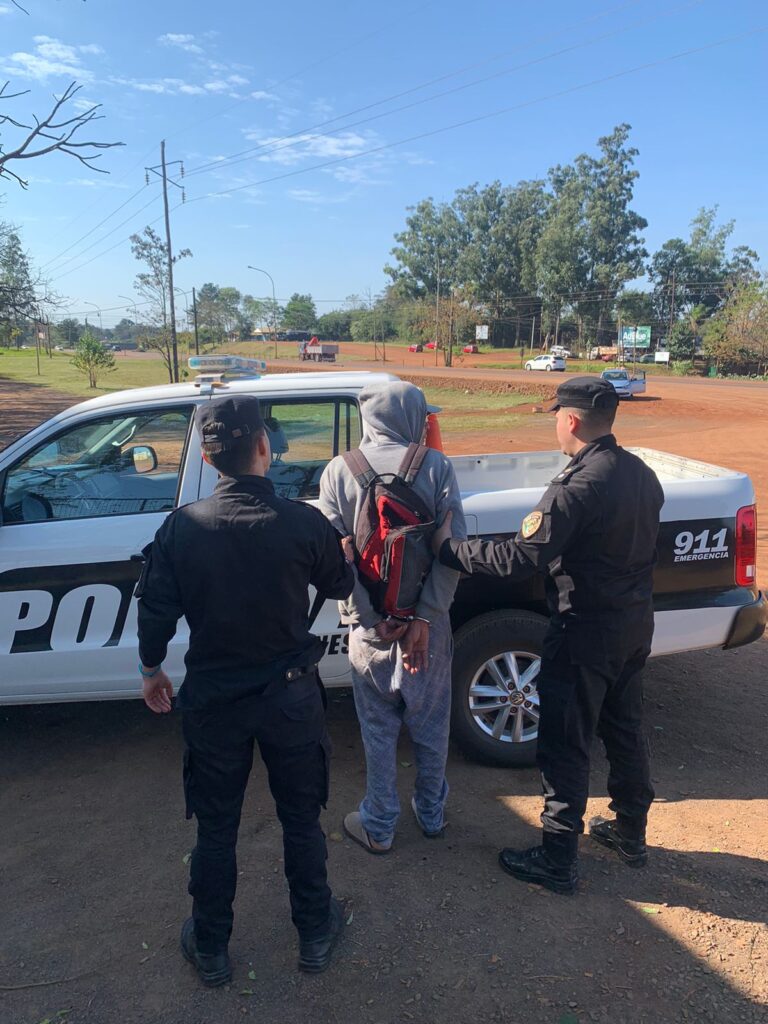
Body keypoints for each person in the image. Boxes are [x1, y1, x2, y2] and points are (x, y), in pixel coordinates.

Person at [136, 395, 354, 986]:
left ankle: (211, 948)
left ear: (208, 460)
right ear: (264, 447)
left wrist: (151, 669)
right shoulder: (304, 522)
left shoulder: (181, 528)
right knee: (301, 820)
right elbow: (340, 584)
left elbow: (154, 608)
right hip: (289, 699)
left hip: (214, 701)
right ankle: (313, 933)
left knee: (215, 828)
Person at [433, 377, 664, 894]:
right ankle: (631, 832)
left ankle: (558, 859)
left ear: (573, 421)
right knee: (623, 728)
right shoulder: (641, 474)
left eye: (557, 414)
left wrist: (450, 550)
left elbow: (520, 557)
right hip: (632, 625)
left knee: (565, 740)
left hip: (585, 631)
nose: (554, 421)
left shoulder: (577, 486)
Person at [319, 381, 466, 854]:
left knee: (378, 727)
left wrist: (368, 618)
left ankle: (379, 824)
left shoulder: (338, 471)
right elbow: (452, 551)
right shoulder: (437, 466)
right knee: (431, 720)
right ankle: (432, 813)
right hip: (429, 629)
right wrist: (423, 619)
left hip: (370, 629)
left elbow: (333, 559)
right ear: (414, 416)